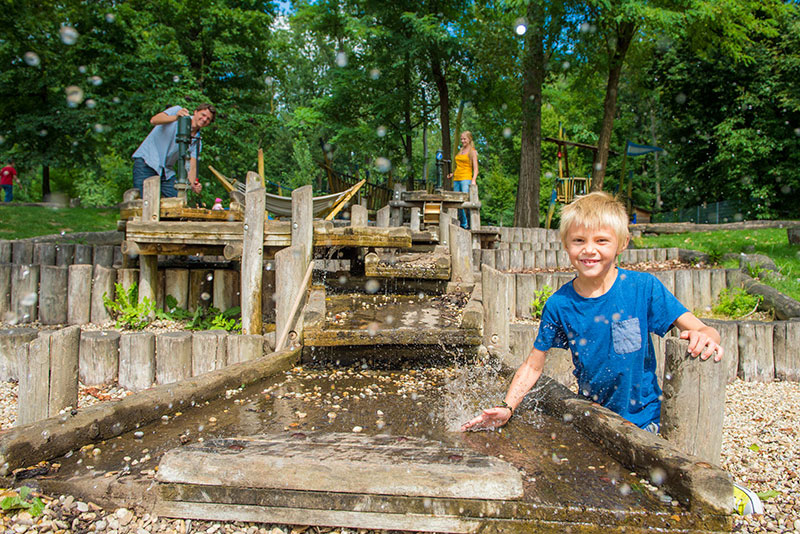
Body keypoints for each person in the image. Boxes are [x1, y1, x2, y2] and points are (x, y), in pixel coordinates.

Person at [461, 191, 724, 434]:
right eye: (579, 240)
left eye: (601, 240)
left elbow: (700, 328)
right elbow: (533, 364)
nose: (589, 249)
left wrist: (707, 336)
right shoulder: (560, 305)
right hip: (594, 420)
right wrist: (507, 407)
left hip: (646, 422)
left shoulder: (642, 288)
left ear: (621, 243)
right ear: (565, 244)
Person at [131, 103, 216, 197]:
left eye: (208, 119)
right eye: (203, 115)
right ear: (195, 112)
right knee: (145, 201)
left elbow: (191, 166)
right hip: (147, 161)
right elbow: (154, 120)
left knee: (178, 200)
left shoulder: (197, 141)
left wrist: (193, 185)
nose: (204, 119)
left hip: (166, 171)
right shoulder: (178, 111)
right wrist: (176, 117)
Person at [448, 131, 478, 229]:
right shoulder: (460, 150)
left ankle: (469, 223)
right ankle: (463, 224)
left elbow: (476, 169)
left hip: (466, 178)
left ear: (469, 139)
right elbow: (458, 166)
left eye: (464, 139)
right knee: (457, 202)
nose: (462, 141)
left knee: (465, 202)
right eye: (461, 139)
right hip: (457, 178)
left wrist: (473, 180)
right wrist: (452, 174)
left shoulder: (472, 151)